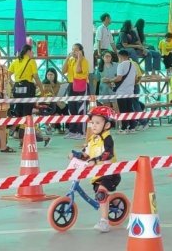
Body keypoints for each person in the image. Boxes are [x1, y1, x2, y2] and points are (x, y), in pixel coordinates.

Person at [69, 105, 120, 233]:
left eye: (97, 123)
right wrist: (76, 155)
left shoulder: (107, 138)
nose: (94, 126)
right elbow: (86, 154)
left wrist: (96, 160)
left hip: (110, 174)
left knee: (101, 194)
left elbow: (108, 154)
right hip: (98, 174)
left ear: (107, 125)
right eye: (92, 123)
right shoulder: (93, 139)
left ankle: (104, 222)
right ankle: (116, 202)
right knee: (100, 196)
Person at [8, 44, 43, 123]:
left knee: (18, 109)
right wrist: (41, 89)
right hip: (28, 88)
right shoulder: (31, 61)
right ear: (28, 51)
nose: (33, 53)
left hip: (17, 88)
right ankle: (24, 128)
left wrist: (12, 83)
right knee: (27, 111)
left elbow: (7, 75)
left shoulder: (15, 61)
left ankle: (18, 128)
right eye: (32, 51)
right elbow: (36, 77)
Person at [63, 43, 90, 139]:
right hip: (71, 85)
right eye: (72, 49)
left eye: (76, 50)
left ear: (81, 51)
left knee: (81, 109)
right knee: (72, 108)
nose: (73, 52)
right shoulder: (71, 60)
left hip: (81, 85)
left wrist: (79, 58)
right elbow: (63, 71)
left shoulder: (84, 61)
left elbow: (78, 70)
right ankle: (72, 131)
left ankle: (81, 132)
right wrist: (67, 58)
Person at [113, 49, 138, 133]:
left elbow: (119, 78)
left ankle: (124, 128)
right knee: (130, 109)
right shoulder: (133, 65)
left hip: (121, 92)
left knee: (123, 110)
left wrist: (110, 80)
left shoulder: (121, 65)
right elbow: (135, 78)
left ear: (119, 56)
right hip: (130, 91)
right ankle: (132, 127)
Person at [40, 68, 67, 135]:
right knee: (56, 108)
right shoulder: (44, 83)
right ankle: (56, 127)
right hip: (47, 103)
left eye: (51, 75)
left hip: (57, 102)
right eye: (48, 75)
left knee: (66, 107)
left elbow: (65, 84)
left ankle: (67, 127)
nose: (50, 76)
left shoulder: (58, 84)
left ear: (55, 75)